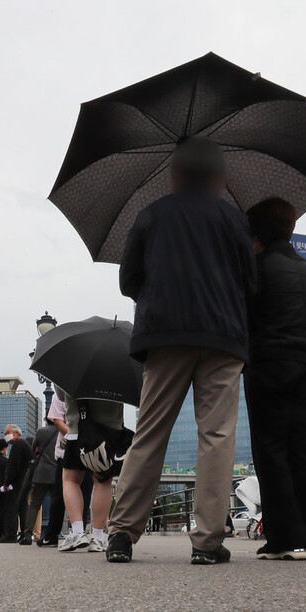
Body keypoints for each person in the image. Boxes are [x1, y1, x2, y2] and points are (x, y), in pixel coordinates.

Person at [106, 137, 256, 566]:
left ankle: (121, 535)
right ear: (218, 178)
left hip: (164, 334)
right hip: (223, 336)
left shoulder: (151, 215)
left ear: (174, 176)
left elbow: (128, 281)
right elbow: (251, 285)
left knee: (150, 431)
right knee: (217, 436)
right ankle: (207, 541)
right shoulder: (234, 220)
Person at [243, 197, 306, 561]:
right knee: (302, 450)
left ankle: (283, 539)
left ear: (257, 234)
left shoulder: (257, 267)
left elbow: (246, 318)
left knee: (271, 451)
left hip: (269, 366)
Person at [55, 386, 124, 553]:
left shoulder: (70, 360)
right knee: (103, 482)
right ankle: (98, 538)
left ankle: (78, 532)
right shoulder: (119, 362)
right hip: (109, 430)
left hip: (77, 429)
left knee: (71, 481)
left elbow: (62, 395)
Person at [38, 394, 93, 547]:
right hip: (90, 448)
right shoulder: (94, 392)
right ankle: (80, 532)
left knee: (61, 494)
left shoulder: (61, 393)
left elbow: (57, 420)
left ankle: (53, 535)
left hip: (68, 449)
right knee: (84, 494)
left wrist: (73, 435)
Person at [19, 419, 58, 545]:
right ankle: (52, 535)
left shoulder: (41, 431)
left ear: (47, 420)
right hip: (57, 471)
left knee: (34, 504)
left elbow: (33, 447)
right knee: (55, 504)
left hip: (42, 472)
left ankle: (27, 535)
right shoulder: (62, 431)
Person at [0, 424, 33, 544]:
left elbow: (13, 466)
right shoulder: (23, 444)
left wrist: (7, 482)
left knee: (11, 507)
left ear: (16, 434)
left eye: (7, 433)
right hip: (25, 480)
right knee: (23, 508)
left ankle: (10, 534)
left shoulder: (18, 444)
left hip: (19, 482)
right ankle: (24, 534)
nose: (5, 436)